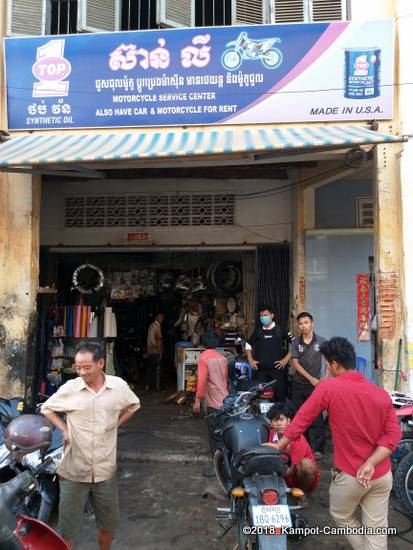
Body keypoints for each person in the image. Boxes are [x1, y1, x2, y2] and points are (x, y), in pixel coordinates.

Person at [266, 337, 401, 550]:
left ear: (335, 364)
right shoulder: (380, 393)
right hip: (381, 475)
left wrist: (279, 445)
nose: (326, 368)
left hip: (351, 475)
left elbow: (301, 420)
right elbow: (394, 434)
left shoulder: (329, 387)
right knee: (376, 530)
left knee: (342, 515)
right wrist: (371, 462)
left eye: (326, 364)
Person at [41, 342, 140, 550]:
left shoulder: (118, 386)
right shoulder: (70, 389)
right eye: (78, 367)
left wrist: (116, 424)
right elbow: (47, 408)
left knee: (107, 526)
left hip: (105, 471)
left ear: (101, 363)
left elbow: (134, 404)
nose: (81, 372)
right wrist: (64, 430)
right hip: (74, 472)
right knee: (67, 530)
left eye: (86, 367)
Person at [193, 331, 229, 478]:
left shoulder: (204, 358)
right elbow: (225, 380)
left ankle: (218, 468)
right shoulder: (223, 358)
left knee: (215, 437)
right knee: (223, 435)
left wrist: (197, 399)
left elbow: (201, 381)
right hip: (225, 401)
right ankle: (226, 465)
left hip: (213, 402)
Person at [290, 312, 326, 458]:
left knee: (317, 417)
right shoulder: (295, 342)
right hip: (299, 385)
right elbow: (295, 363)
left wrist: (325, 379)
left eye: (306, 322)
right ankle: (304, 446)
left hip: (316, 386)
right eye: (300, 323)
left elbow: (329, 361)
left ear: (312, 323)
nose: (303, 326)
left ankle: (318, 449)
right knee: (300, 416)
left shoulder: (321, 341)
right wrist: (310, 378)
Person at [267, 403, 320, 495]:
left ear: (288, 421)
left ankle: (303, 493)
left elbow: (292, 468)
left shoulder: (297, 438)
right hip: (281, 473)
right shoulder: (270, 434)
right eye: (275, 420)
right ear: (271, 423)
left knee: (306, 465)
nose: (279, 424)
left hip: (297, 477)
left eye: (281, 420)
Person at [245, 305, 290, 402]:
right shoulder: (259, 330)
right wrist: (250, 359)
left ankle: (280, 416)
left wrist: (285, 360)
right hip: (262, 372)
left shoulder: (280, 329)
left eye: (265, 315)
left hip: (277, 371)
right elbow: (248, 344)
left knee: (279, 398)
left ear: (272, 315)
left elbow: (294, 344)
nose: (263, 318)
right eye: (261, 316)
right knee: (262, 398)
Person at [145, 312, 164, 391]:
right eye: (160, 317)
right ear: (156, 317)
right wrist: (160, 352)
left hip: (150, 350)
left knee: (150, 368)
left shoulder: (151, 325)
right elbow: (158, 341)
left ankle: (148, 385)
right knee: (157, 370)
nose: (162, 319)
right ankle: (157, 387)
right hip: (155, 350)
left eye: (163, 317)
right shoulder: (157, 327)